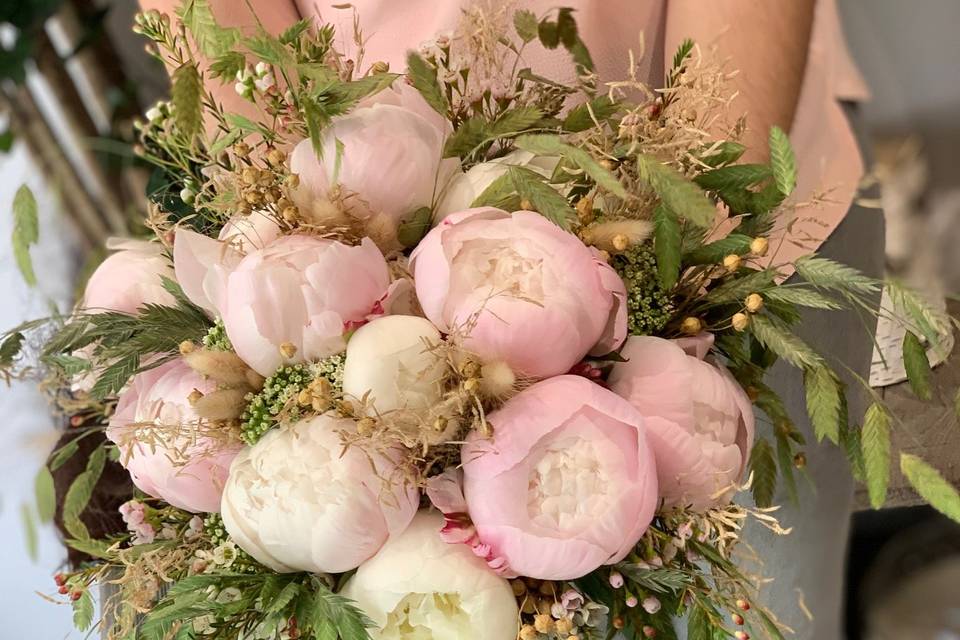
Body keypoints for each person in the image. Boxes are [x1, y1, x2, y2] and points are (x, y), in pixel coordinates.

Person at [138, 1, 883, 637]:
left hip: (723, 199)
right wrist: (308, 227)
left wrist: (685, 264)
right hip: (364, 198)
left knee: (770, 609)